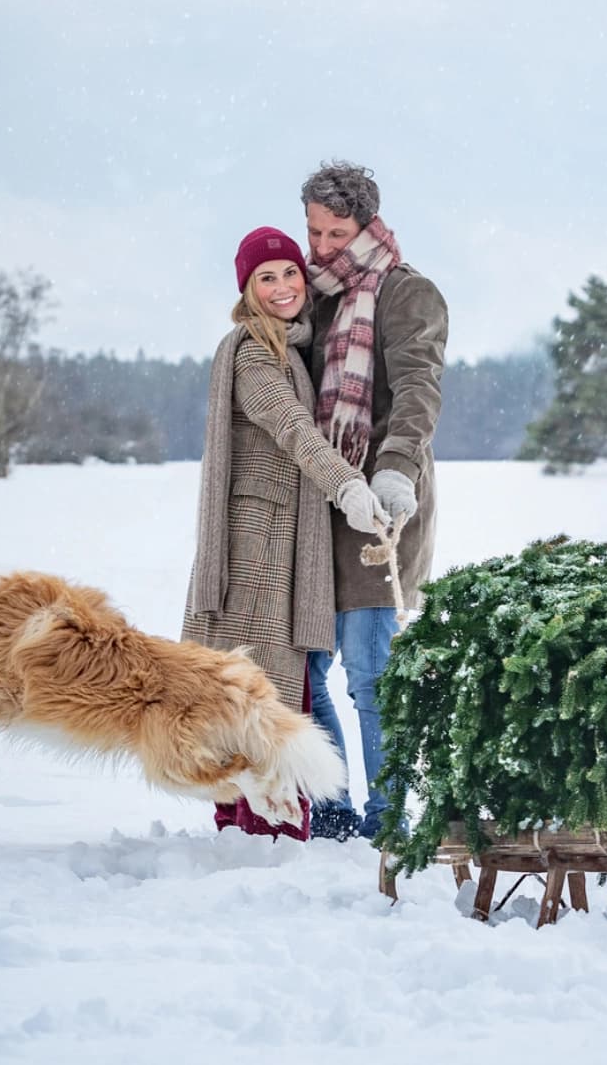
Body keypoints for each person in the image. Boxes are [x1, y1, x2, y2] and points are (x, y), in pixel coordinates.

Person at [182, 225, 389, 840]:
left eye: (290, 273)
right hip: (259, 547)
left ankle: (276, 817)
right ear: (248, 290)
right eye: (265, 278)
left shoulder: (292, 347)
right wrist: (347, 485)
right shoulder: (254, 353)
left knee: (271, 689)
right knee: (263, 692)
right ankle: (261, 826)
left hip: (283, 539)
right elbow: (295, 428)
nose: (281, 287)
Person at [298, 162, 447, 841]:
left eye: (337, 233)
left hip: (384, 507)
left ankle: (388, 821)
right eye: (314, 231)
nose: (322, 246)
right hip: (320, 502)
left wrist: (394, 472)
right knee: (304, 669)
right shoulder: (315, 298)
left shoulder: (406, 292)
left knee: (369, 672)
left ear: (366, 225)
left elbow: (418, 390)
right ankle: (331, 808)